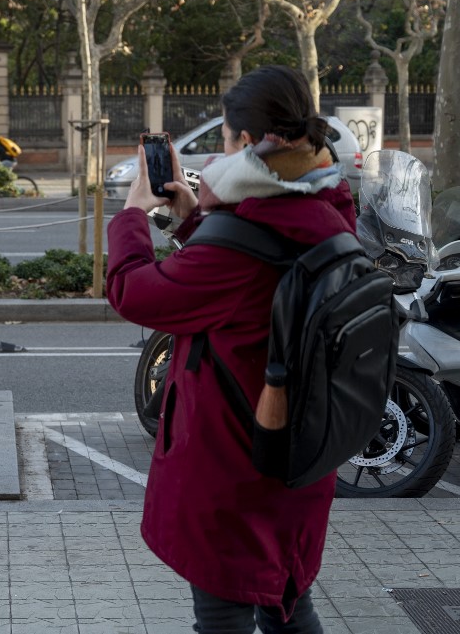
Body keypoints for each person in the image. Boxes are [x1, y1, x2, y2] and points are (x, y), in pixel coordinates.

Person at [106, 65, 355, 633]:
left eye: (223, 136)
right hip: (303, 448)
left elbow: (135, 293)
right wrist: (197, 218)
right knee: (286, 601)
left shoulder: (243, 238)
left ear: (244, 142)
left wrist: (130, 215)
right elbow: (258, 275)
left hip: (236, 460)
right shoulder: (327, 200)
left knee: (224, 615)